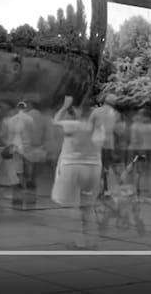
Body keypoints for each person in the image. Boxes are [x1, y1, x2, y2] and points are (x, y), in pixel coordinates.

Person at [51, 96, 103, 249]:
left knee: (72, 206)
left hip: (71, 167)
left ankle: (78, 242)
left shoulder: (72, 125)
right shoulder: (99, 128)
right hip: (94, 168)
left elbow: (55, 121)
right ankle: (92, 241)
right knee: (88, 206)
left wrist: (65, 106)